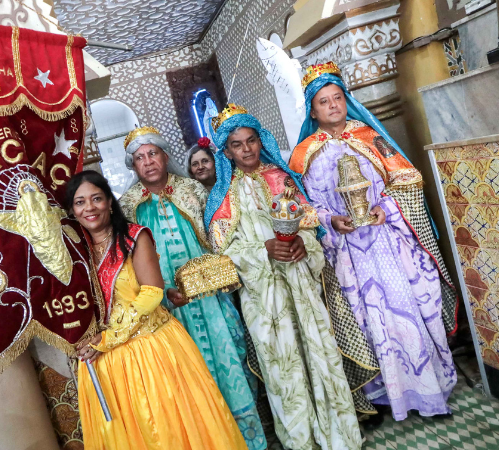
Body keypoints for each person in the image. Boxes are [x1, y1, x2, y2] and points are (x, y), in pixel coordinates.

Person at [289, 61, 459, 422]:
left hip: (385, 242)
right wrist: (329, 219)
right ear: (313, 110)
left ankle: (427, 391)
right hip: (346, 251)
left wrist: (385, 208)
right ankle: (385, 397)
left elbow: (408, 178)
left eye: (337, 98)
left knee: (403, 311)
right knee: (366, 320)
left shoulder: (369, 136)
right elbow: (301, 207)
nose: (333, 105)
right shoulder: (303, 153)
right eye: (324, 101)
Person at [205, 104, 361, 450]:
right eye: (237, 144)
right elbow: (222, 255)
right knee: (282, 367)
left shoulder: (282, 178)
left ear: (261, 141)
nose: (246, 150)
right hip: (264, 298)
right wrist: (264, 250)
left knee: (319, 352)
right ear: (226, 151)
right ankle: (300, 441)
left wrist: (304, 244)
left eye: (251, 141)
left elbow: (312, 227)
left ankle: (339, 437)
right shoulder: (221, 197)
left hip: (300, 284)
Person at [68, 170, 247, 450]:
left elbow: (152, 293)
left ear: (110, 203)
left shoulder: (132, 237)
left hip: (150, 352)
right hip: (107, 363)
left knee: (167, 432)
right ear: (72, 210)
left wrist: (108, 339)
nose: (89, 207)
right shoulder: (76, 254)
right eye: (80, 202)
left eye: (96, 199)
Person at [118, 127, 265, 450]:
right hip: (168, 309)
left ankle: (250, 442)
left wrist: (219, 276)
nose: (148, 162)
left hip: (212, 299)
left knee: (232, 358)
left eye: (153, 153)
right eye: (140, 158)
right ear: (133, 166)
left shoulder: (193, 190)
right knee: (187, 378)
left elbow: (220, 237)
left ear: (166, 156)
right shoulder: (127, 207)